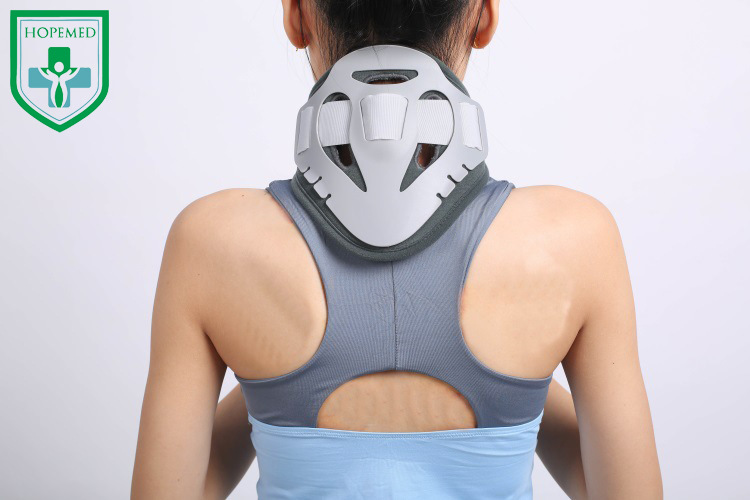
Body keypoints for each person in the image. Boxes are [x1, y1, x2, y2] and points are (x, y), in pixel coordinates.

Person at [131, 1, 662, 499]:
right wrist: (518, 374)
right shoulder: (574, 240)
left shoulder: (213, 244)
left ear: (296, 16)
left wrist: (270, 377)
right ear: (484, 16)